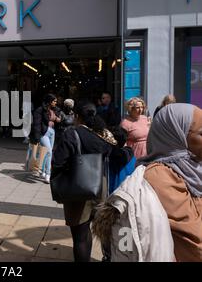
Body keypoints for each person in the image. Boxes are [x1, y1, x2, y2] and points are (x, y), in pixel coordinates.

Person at [94, 103, 202, 262]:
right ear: (177, 135)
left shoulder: (191, 169)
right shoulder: (162, 176)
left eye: (141, 107)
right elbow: (195, 244)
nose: (139, 110)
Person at [51, 101, 115, 262]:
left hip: (78, 189)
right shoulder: (104, 134)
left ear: (77, 117)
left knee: (80, 236)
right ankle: (108, 256)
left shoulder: (72, 134)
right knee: (103, 230)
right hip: (100, 186)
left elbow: (58, 162)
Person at [31, 94, 61, 183]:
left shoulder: (55, 109)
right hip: (43, 133)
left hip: (52, 132)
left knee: (48, 153)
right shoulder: (40, 110)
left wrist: (57, 118)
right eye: (54, 101)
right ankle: (48, 174)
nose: (56, 103)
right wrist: (37, 137)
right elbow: (36, 124)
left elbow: (59, 119)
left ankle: (43, 171)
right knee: (48, 152)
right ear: (49, 101)